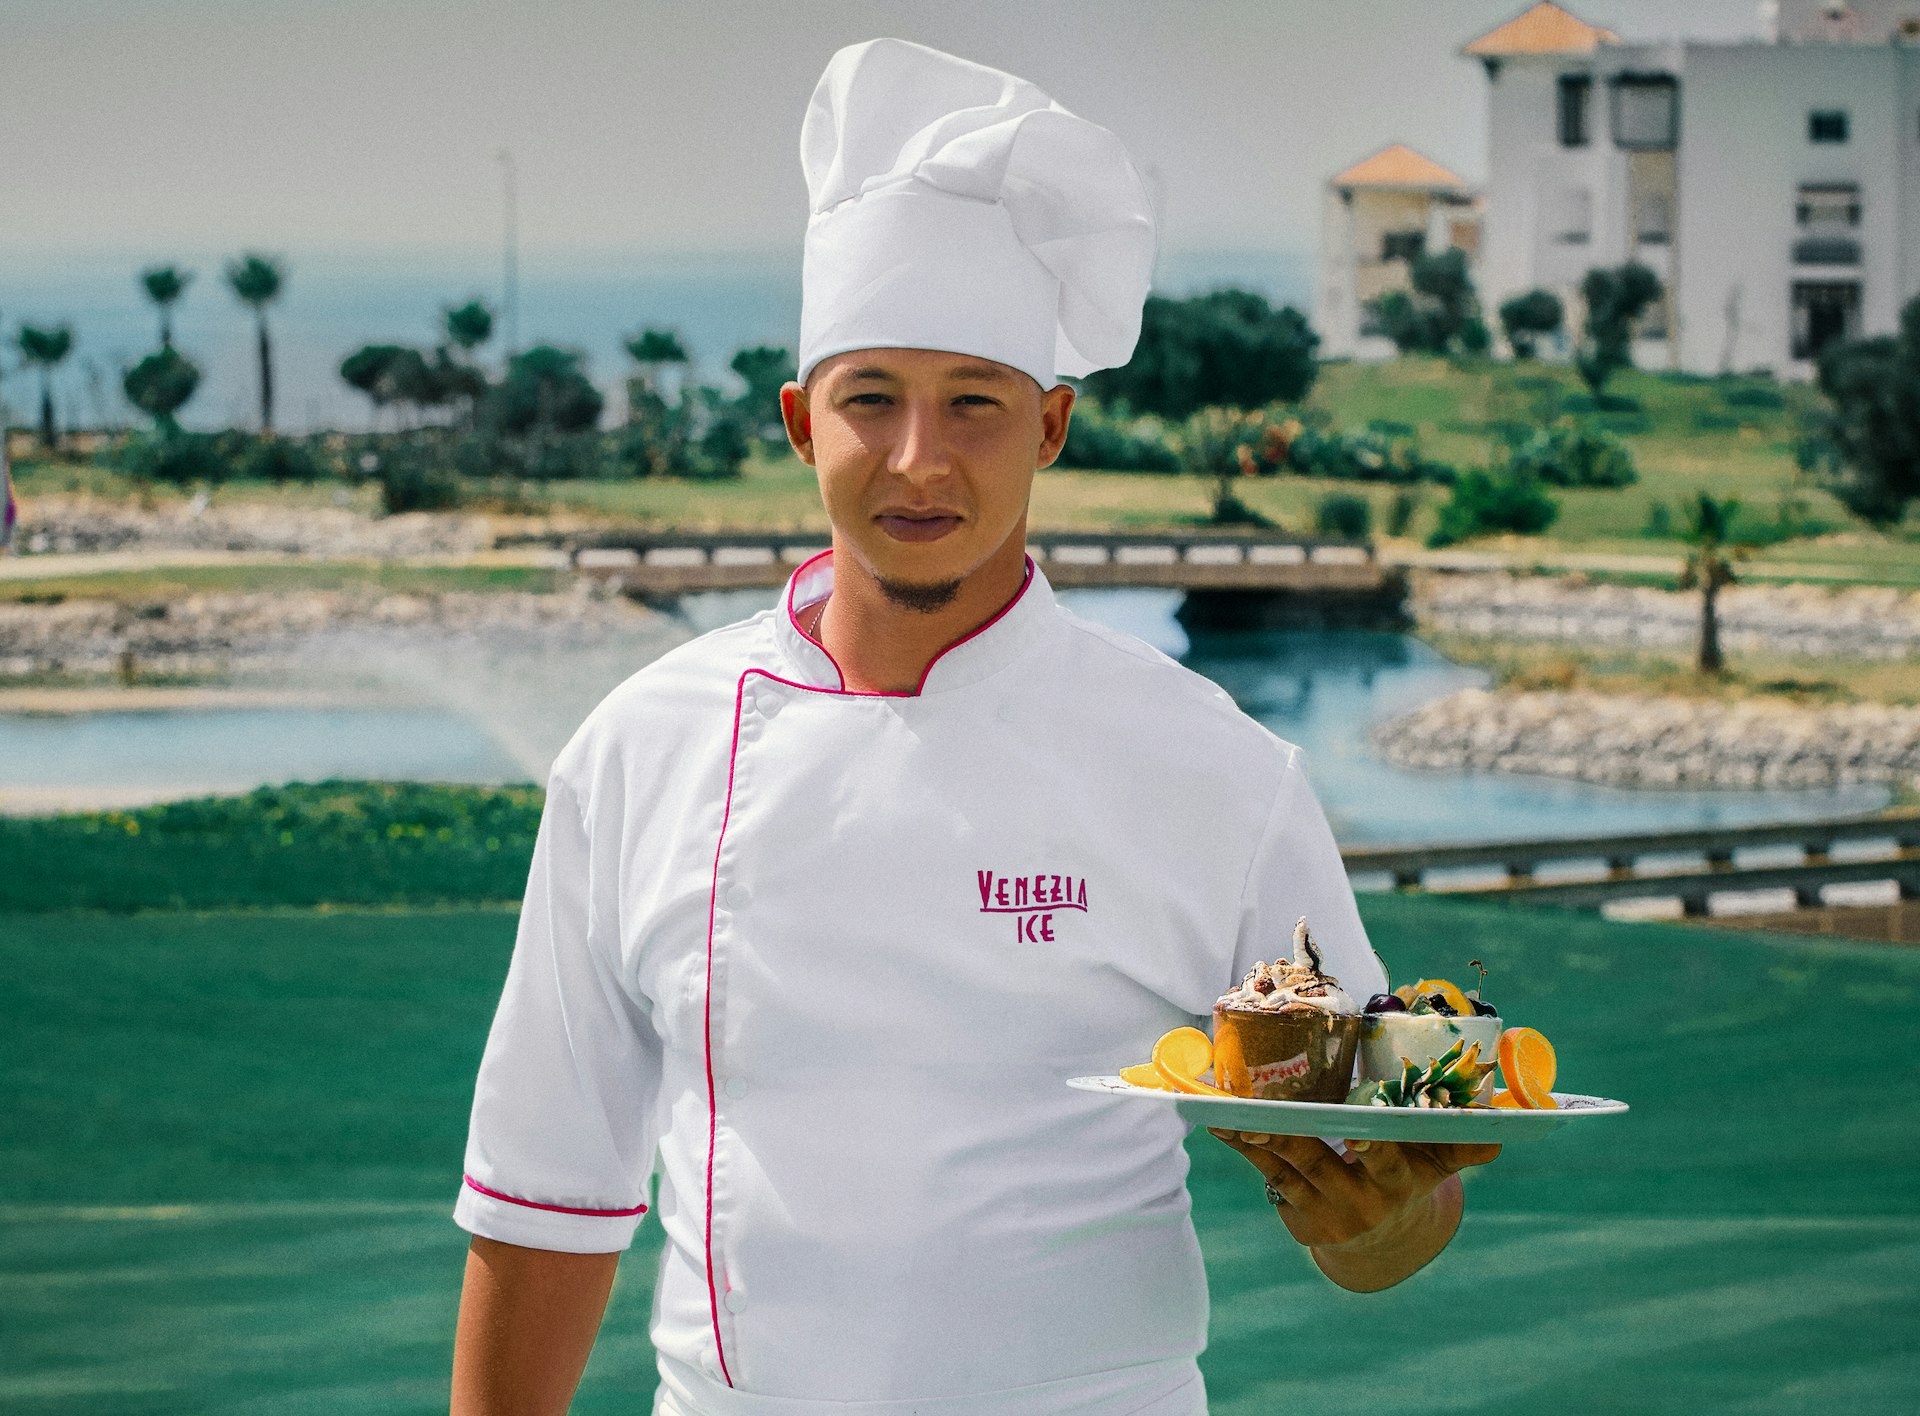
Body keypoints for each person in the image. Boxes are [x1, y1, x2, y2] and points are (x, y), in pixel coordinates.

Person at [450, 38, 1497, 1416]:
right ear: (797, 421)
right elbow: (549, 1193)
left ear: (1052, 425)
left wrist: (1382, 1224)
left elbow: (1386, 1193)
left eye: (975, 406)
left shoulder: (1214, 771)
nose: (918, 459)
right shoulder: (640, 752)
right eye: (869, 399)